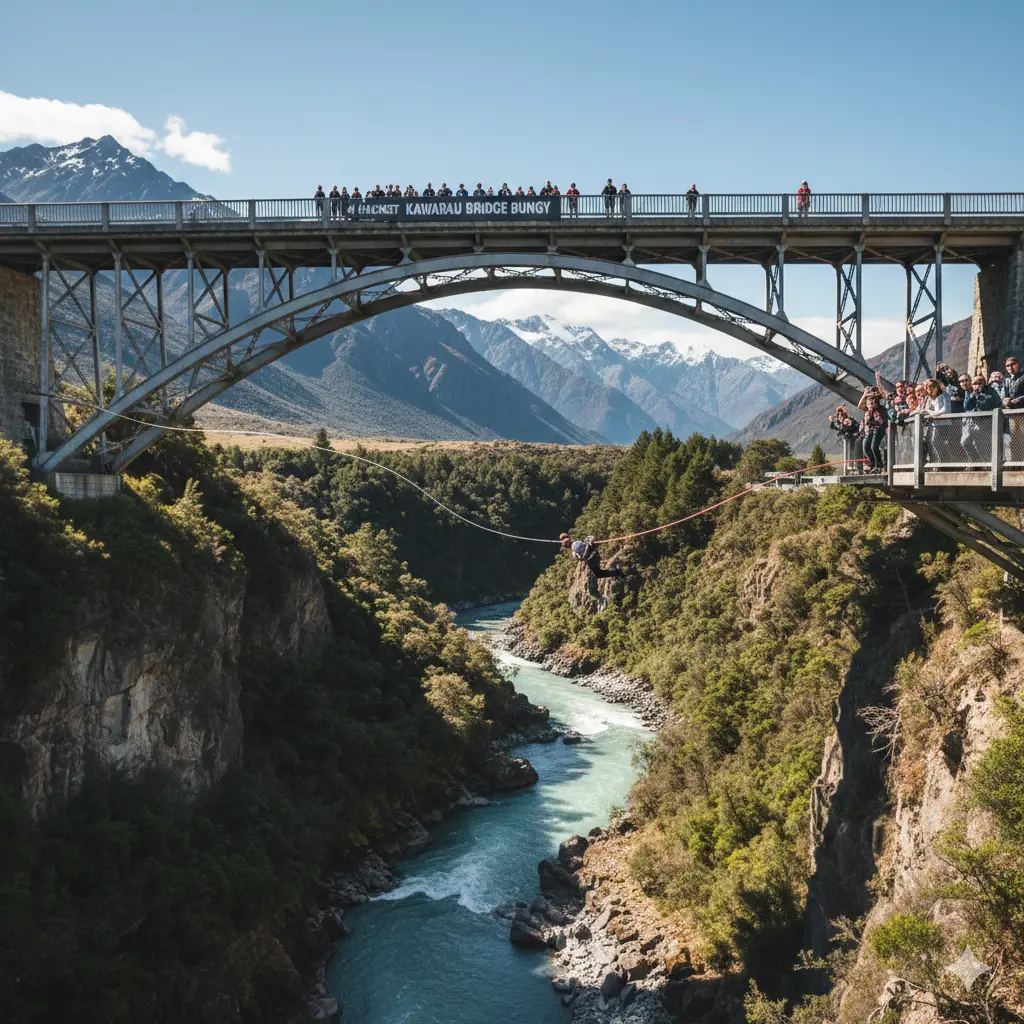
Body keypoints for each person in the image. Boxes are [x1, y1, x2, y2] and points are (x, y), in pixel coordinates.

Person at [560, 534, 625, 580]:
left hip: (591, 559)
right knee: (598, 570)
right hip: (595, 553)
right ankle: (616, 571)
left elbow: (581, 558)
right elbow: (587, 544)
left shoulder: (574, 550)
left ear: (567, 546)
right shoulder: (578, 541)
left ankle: (616, 571)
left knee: (599, 574)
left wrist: (577, 556)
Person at [861, 393, 888, 473]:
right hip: (870, 431)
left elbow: (881, 421)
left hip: (880, 430)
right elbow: (866, 424)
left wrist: (874, 418)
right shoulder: (868, 412)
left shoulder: (880, 410)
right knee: (866, 448)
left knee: (874, 447)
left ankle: (879, 466)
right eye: (869, 404)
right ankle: (873, 464)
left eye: (873, 403)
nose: (871, 405)